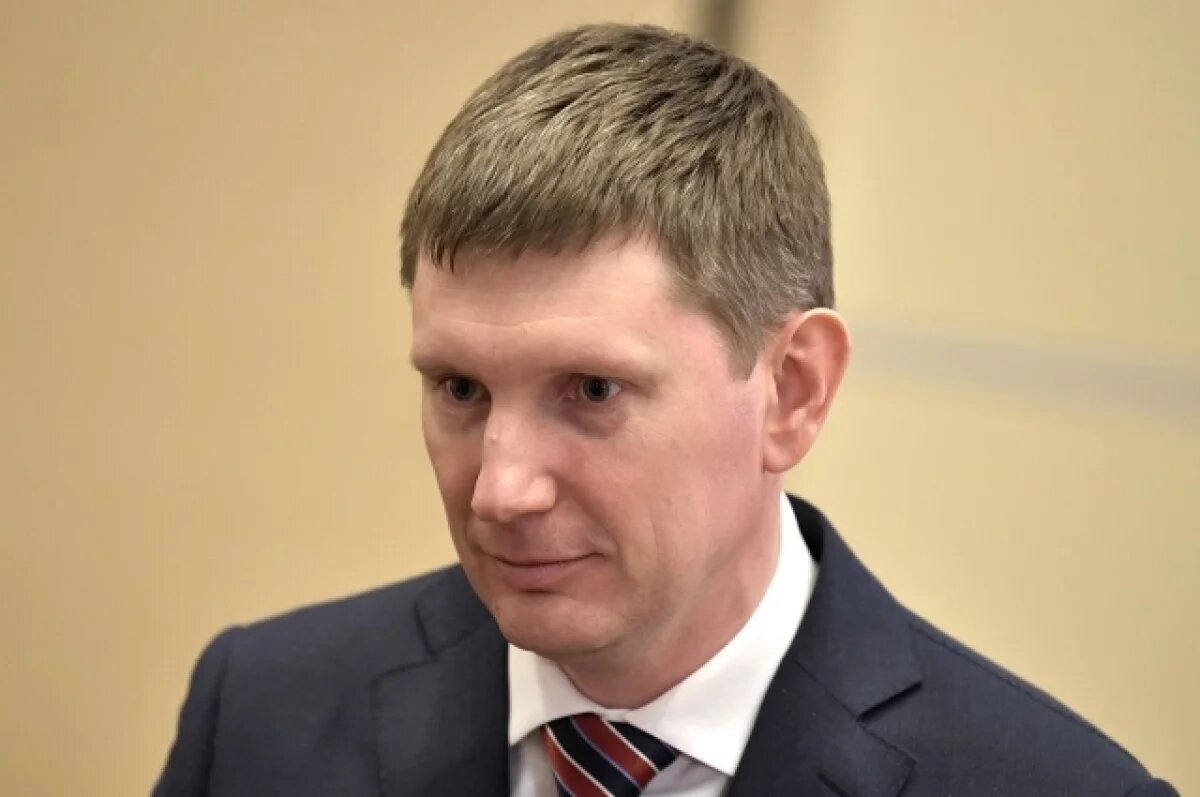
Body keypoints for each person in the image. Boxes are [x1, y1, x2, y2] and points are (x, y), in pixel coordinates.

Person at [154, 23, 1176, 797]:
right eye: (460, 389)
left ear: (792, 390)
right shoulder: (261, 713)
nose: (501, 490)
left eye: (592, 391)